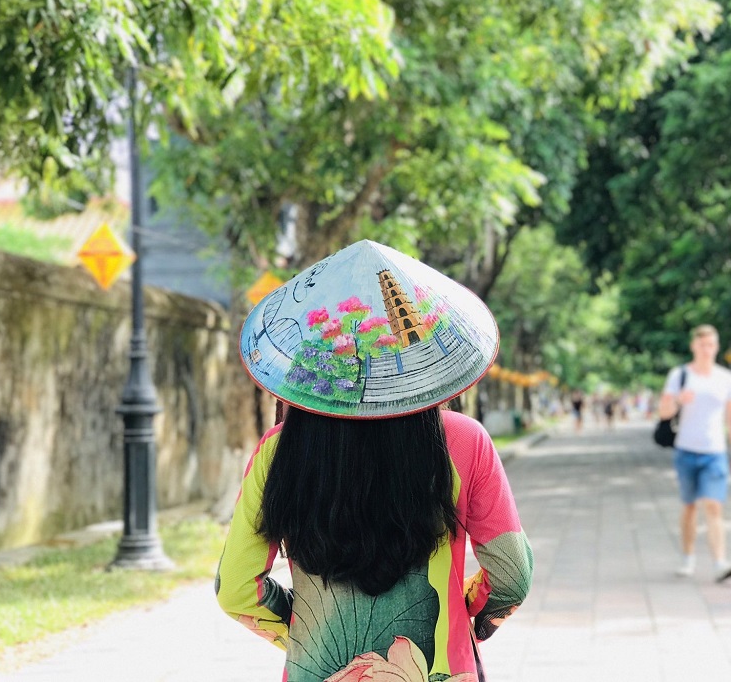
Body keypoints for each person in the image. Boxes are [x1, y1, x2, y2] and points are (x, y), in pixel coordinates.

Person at [217, 240, 534, 681]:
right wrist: (462, 618)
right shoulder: (466, 441)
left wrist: (304, 630)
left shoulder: (278, 450)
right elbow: (512, 576)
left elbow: (235, 589)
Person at [658, 324, 731, 583]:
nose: (707, 350)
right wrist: (677, 401)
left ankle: (720, 563)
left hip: (715, 452)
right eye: (702, 344)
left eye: (711, 345)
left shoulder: (727, 378)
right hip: (686, 451)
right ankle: (687, 557)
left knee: (713, 506)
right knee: (689, 508)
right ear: (694, 346)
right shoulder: (680, 375)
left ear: (717, 347)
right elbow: (663, 412)